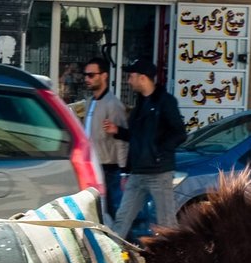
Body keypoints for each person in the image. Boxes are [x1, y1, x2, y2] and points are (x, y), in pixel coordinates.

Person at [105, 59, 184, 236]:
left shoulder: (165, 102)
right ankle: (113, 251)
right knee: (122, 218)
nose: (128, 81)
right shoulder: (140, 104)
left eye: (131, 76)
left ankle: (175, 253)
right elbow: (136, 137)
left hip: (159, 173)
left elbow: (179, 133)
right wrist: (118, 131)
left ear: (142, 78)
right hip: (137, 173)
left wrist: (158, 152)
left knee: (167, 224)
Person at [78, 57, 127, 217]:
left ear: (104, 76)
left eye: (91, 75)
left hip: (109, 168)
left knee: (112, 212)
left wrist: (123, 171)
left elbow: (121, 139)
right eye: (85, 75)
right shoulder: (90, 102)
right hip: (92, 165)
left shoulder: (113, 104)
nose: (87, 79)